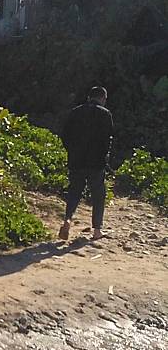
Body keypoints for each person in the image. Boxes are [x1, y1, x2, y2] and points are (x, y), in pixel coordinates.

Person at [59, 86, 114, 241]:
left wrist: (72, 151)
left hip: (76, 160)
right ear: (103, 98)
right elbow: (107, 140)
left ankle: (67, 220)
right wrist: (105, 158)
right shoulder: (105, 114)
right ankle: (97, 230)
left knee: (74, 192)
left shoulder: (75, 112)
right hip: (96, 162)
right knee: (98, 195)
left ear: (89, 97)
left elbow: (65, 136)